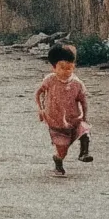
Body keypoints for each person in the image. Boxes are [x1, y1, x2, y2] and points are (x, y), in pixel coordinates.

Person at [35, 41, 90, 175]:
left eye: (70, 68)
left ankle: (84, 153)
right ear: (53, 68)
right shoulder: (49, 81)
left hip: (74, 119)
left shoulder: (77, 84)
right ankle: (58, 160)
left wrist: (84, 117)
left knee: (85, 132)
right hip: (55, 121)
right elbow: (38, 93)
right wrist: (41, 109)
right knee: (62, 149)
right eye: (62, 67)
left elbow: (83, 101)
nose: (66, 71)